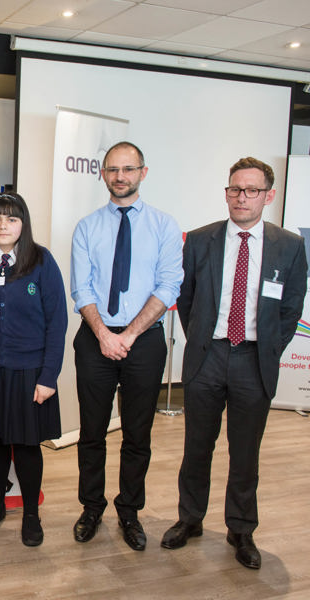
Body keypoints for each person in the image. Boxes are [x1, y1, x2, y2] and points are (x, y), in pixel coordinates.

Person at [160, 157, 307, 569]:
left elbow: (291, 308)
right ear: (226, 192)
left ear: (269, 196)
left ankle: (241, 529)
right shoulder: (202, 240)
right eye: (234, 189)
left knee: (245, 453)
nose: (241, 198)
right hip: (208, 356)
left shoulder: (289, 246)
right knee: (196, 448)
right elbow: (187, 300)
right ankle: (189, 519)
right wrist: (204, 339)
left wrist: (268, 351)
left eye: (251, 191)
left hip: (254, 360)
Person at [69, 141, 183, 551]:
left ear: (143, 172)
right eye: (113, 169)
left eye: (128, 169)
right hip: (95, 337)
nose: (120, 176)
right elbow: (80, 288)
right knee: (92, 432)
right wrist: (103, 334)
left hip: (145, 340)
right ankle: (91, 507)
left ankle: (129, 511)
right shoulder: (87, 227)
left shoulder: (164, 226)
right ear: (103, 174)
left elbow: (169, 285)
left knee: (138, 434)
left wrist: (129, 335)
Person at [0, 192, 67, 546]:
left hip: (27, 370)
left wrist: (49, 375)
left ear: (24, 224)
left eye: (11, 219)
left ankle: (32, 515)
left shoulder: (41, 261)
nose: (3, 225)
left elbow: (58, 321)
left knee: (25, 445)